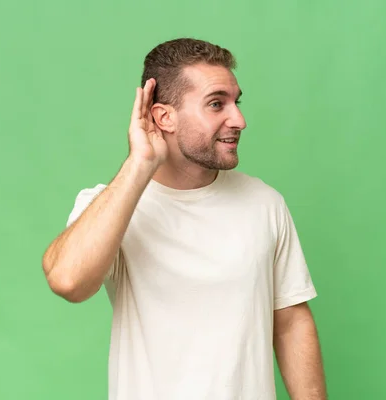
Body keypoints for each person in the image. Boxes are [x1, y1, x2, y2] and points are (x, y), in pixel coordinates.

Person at [42, 38, 327, 400]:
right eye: (216, 104)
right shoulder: (111, 204)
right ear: (164, 117)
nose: (238, 119)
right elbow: (68, 281)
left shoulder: (263, 203)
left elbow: (290, 322)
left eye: (236, 102)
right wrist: (139, 164)